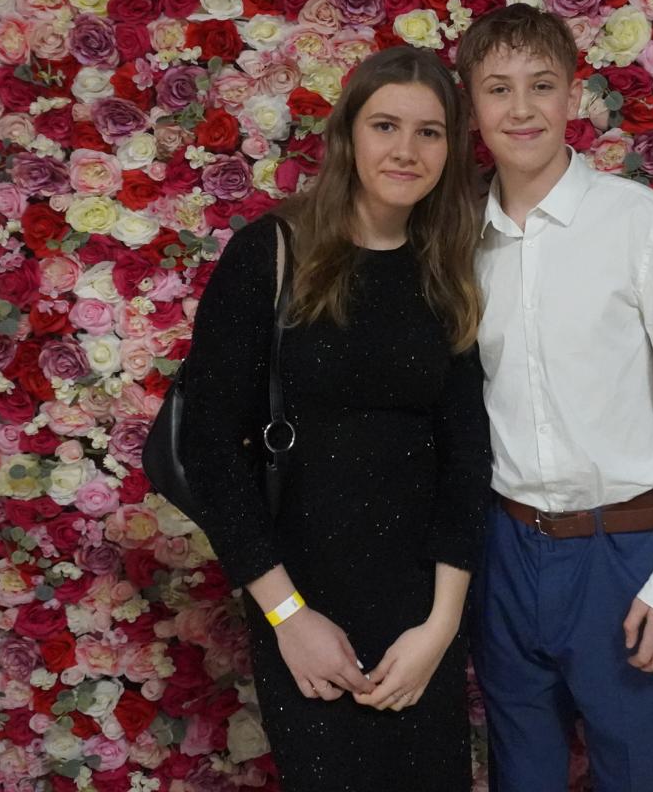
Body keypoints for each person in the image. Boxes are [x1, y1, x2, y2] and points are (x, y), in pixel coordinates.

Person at [175, 46, 492, 791]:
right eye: (385, 125)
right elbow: (210, 448)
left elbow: (467, 457)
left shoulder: (445, 266)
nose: (406, 150)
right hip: (302, 599)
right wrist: (289, 617)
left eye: (429, 132)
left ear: (450, 148)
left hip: (422, 611)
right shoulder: (272, 253)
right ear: (348, 134)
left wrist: (441, 628)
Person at [457, 4, 653, 791]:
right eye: (498, 88)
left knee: (638, 775)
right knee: (522, 776)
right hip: (507, 549)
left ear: (573, 96)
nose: (521, 108)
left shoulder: (636, 221)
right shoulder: (457, 235)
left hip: (623, 549)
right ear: (472, 107)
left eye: (541, 85)